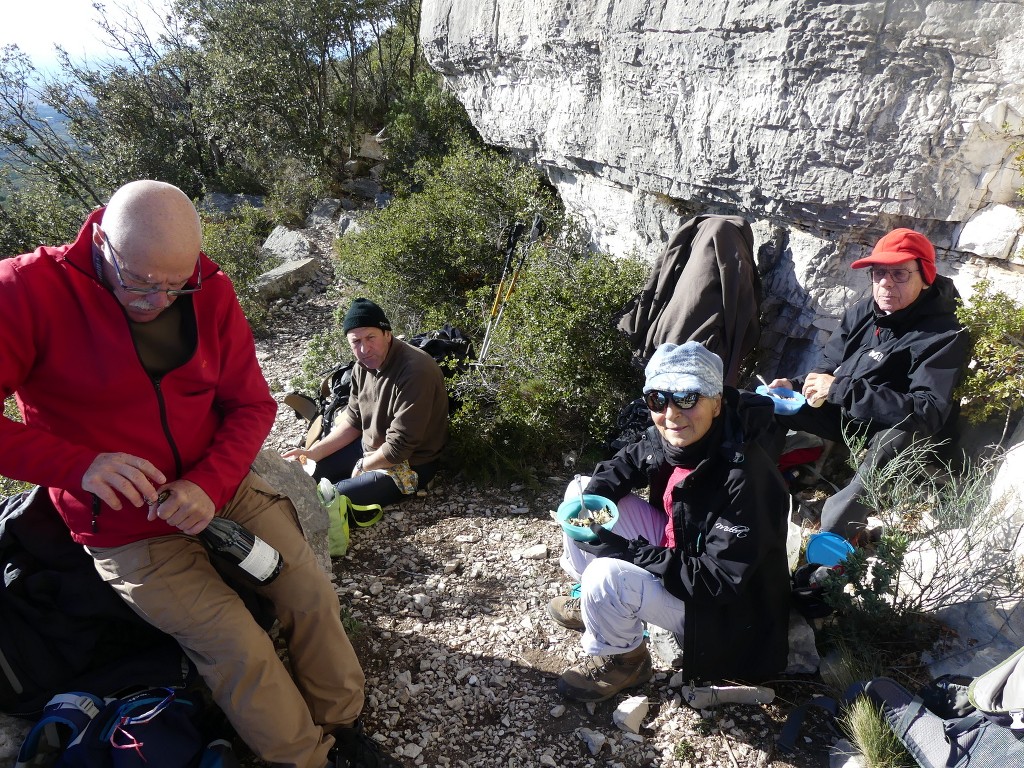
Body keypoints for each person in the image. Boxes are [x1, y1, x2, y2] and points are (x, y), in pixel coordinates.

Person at [0, 181, 393, 768]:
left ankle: (342, 723)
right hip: (127, 528)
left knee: (308, 593)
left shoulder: (207, 286)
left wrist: (208, 485)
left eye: (173, 285)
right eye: (140, 283)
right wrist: (79, 465)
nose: (159, 300)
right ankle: (308, 760)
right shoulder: (25, 291)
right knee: (237, 648)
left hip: (223, 491)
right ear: (101, 240)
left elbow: (252, 404)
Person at [546, 342, 791, 702]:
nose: (672, 413)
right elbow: (623, 466)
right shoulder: (674, 438)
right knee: (580, 494)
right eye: (658, 399)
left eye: (688, 397)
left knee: (607, 575)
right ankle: (604, 609)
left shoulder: (744, 477)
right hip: (680, 553)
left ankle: (628, 661)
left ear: (717, 401)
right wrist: (595, 505)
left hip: (720, 610)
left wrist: (628, 553)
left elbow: (716, 581)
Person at [768, 228, 971, 539]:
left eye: (900, 273)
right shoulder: (865, 310)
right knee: (760, 403)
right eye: (878, 273)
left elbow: (928, 412)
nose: (885, 282)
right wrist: (794, 387)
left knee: (898, 437)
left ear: (926, 274)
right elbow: (827, 366)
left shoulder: (944, 335)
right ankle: (755, 484)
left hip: (895, 434)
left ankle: (832, 540)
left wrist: (839, 390)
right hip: (848, 413)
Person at [283, 297, 448, 508]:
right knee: (303, 479)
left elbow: (399, 448)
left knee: (326, 500)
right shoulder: (362, 367)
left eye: (371, 337)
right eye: (356, 341)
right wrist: (311, 453)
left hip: (410, 463)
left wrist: (363, 466)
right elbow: (353, 421)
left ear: (387, 334)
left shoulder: (415, 371)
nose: (364, 349)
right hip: (367, 448)